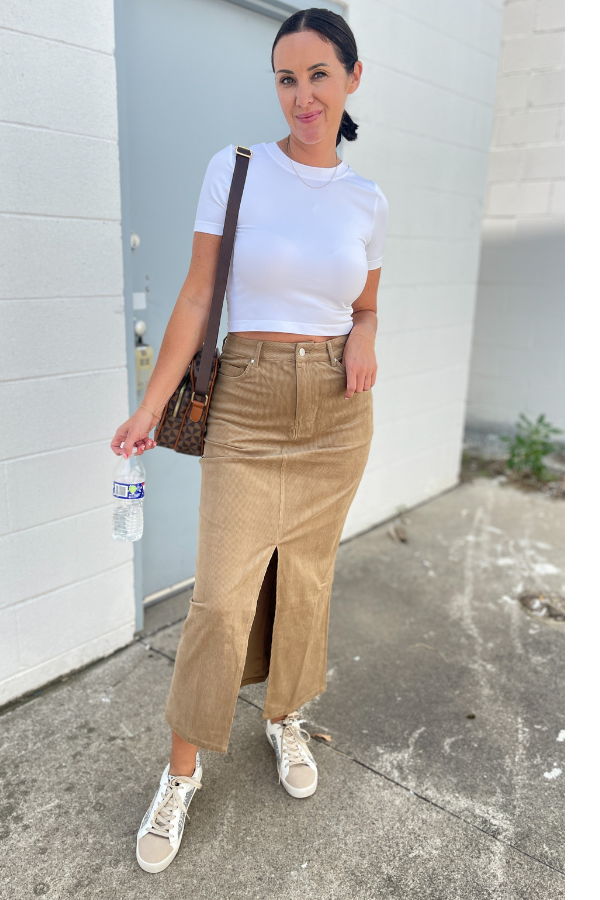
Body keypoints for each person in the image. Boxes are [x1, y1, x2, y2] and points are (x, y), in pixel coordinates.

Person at [110, 7, 388, 874]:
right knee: (222, 599)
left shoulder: (367, 199)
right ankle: (181, 771)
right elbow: (199, 296)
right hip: (251, 402)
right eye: (286, 78)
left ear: (352, 78)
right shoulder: (236, 171)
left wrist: (366, 335)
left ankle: (283, 715)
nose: (302, 96)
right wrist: (150, 405)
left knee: (305, 580)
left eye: (318, 75)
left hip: (337, 414)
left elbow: (366, 303)